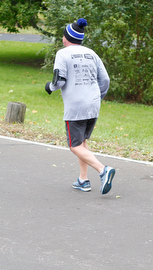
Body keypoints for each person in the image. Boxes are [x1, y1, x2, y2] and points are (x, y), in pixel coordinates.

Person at [45, 18, 115, 194]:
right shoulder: (92, 53)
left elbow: (59, 81)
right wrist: (98, 97)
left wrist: (49, 87)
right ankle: (83, 180)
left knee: (74, 146)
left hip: (76, 107)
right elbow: (105, 79)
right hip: (93, 105)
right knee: (82, 142)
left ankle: (102, 170)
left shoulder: (63, 54)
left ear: (66, 38)